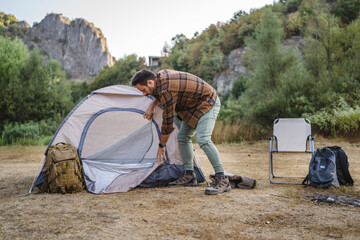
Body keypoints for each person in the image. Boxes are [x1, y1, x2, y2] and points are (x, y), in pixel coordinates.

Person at [131, 69, 230, 195]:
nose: (144, 94)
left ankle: (222, 179)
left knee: (203, 139)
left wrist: (162, 146)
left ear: (150, 82)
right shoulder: (160, 79)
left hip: (208, 102)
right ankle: (189, 175)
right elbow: (160, 95)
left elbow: (168, 122)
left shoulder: (166, 88)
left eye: (144, 90)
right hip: (193, 107)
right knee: (183, 137)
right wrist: (151, 106)